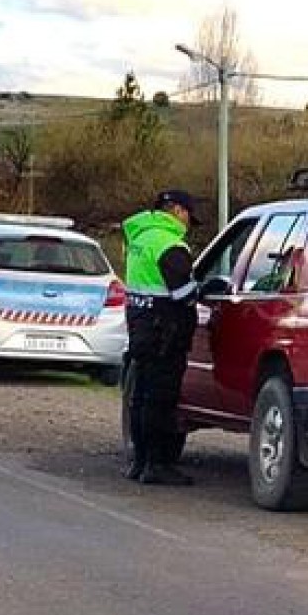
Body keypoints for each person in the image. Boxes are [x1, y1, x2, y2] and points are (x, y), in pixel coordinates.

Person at [120, 189, 201, 485]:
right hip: (166, 332)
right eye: (189, 216)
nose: (189, 223)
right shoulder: (170, 244)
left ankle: (139, 462)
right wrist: (202, 287)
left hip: (141, 328)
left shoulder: (139, 238)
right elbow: (183, 293)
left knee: (141, 397)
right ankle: (157, 464)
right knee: (161, 400)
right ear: (178, 211)